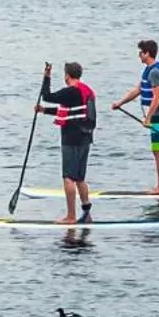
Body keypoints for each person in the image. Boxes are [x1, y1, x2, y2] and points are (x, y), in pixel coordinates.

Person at [111, 39, 159, 194]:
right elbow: (138, 90)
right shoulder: (149, 70)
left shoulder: (155, 72)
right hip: (158, 115)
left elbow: (157, 98)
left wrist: (148, 118)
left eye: (141, 52)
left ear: (148, 53)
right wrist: (120, 103)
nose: (139, 55)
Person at [38, 61, 97, 224]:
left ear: (67, 75)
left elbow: (46, 96)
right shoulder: (86, 91)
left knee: (68, 177)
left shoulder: (70, 91)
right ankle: (87, 214)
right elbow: (68, 111)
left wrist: (46, 77)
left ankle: (71, 216)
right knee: (80, 178)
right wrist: (44, 110)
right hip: (85, 138)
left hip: (72, 138)